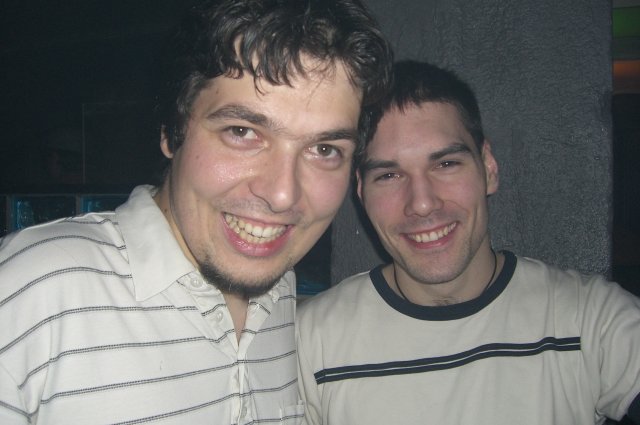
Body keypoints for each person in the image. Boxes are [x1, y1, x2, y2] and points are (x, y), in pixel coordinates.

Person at [0, 1, 392, 423]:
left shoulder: (278, 290)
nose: (282, 195)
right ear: (172, 131)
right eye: (242, 132)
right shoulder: (31, 292)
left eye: (324, 149)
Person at [296, 60, 640, 425]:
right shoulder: (312, 343)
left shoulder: (591, 321)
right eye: (389, 175)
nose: (422, 203)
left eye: (446, 164)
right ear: (361, 193)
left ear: (488, 168)